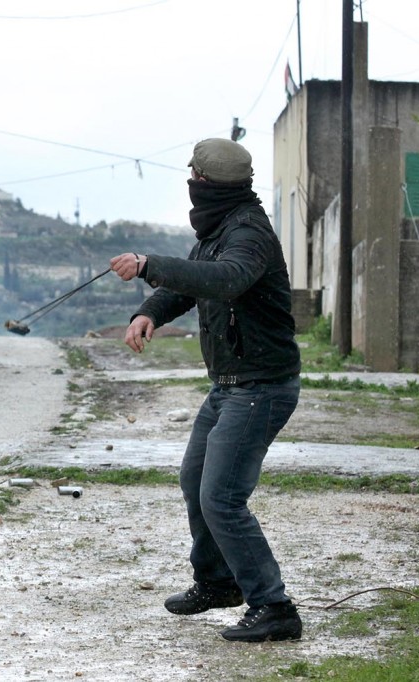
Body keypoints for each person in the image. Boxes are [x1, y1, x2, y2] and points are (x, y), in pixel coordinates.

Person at [109, 138, 302, 643]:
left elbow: (227, 278)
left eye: (193, 174)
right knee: (196, 480)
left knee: (222, 498)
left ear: (206, 183)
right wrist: (148, 311)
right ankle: (218, 583)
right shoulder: (219, 228)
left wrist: (149, 262)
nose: (190, 181)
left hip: (262, 387)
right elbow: (191, 284)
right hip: (230, 386)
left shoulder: (248, 233)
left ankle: (274, 605)